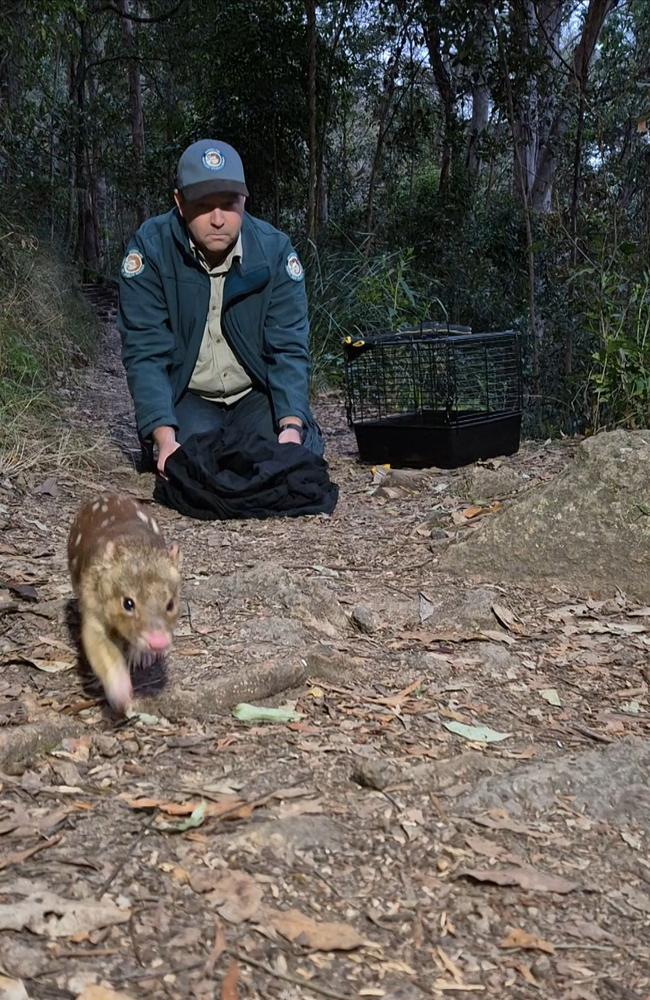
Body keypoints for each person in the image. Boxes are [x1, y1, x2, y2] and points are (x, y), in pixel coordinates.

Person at [117, 138, 323, 476]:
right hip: (189, 393)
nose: (217, 219)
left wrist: (291, 426)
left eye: (228, 204)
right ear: (180, 203)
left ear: (244, 200)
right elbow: (145, 350)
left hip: (254, 391)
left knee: (281, 458)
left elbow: (288, 347)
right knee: (194, 463)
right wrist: (164, 439)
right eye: (202, 204)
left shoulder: (274, 251)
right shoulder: (151, 250)